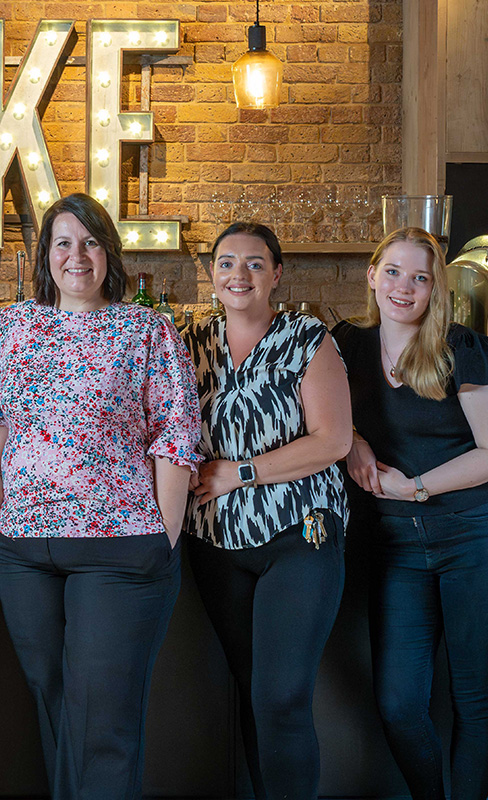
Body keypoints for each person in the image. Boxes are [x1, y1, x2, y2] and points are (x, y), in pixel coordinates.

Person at [0, 192, 200, 800]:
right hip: (22, 547)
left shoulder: (147, 328)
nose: (77, 256)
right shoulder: (11, 327)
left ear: (110, 254)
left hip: (119, 546)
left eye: (91, 242)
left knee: (102, 716)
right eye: (63, 242)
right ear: (45, 253)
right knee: (57, 702)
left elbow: (175, 434)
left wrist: (164, 536)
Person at [333, 226, 488, 800]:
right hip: (396, 547)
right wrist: (355, 443)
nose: (404, 287)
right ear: (371, 276)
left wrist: (415, 486)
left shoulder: (461, 346)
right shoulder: (345, 343)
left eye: (420, 276)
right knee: (397, 703)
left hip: (479, 538)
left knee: (473, 699)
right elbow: (324, 420)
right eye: (392, 271)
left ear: (435, 287)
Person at [180, 220, 353, 800]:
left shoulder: (308, 339)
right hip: (215, 542)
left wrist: (239, 472)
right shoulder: (189, 341)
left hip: (297, 534)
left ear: (276, 275)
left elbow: (334, 440)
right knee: (253, 690)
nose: (239, 274)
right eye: (227, 262)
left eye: (255, 264)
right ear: (211, 274)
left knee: (281, 697)